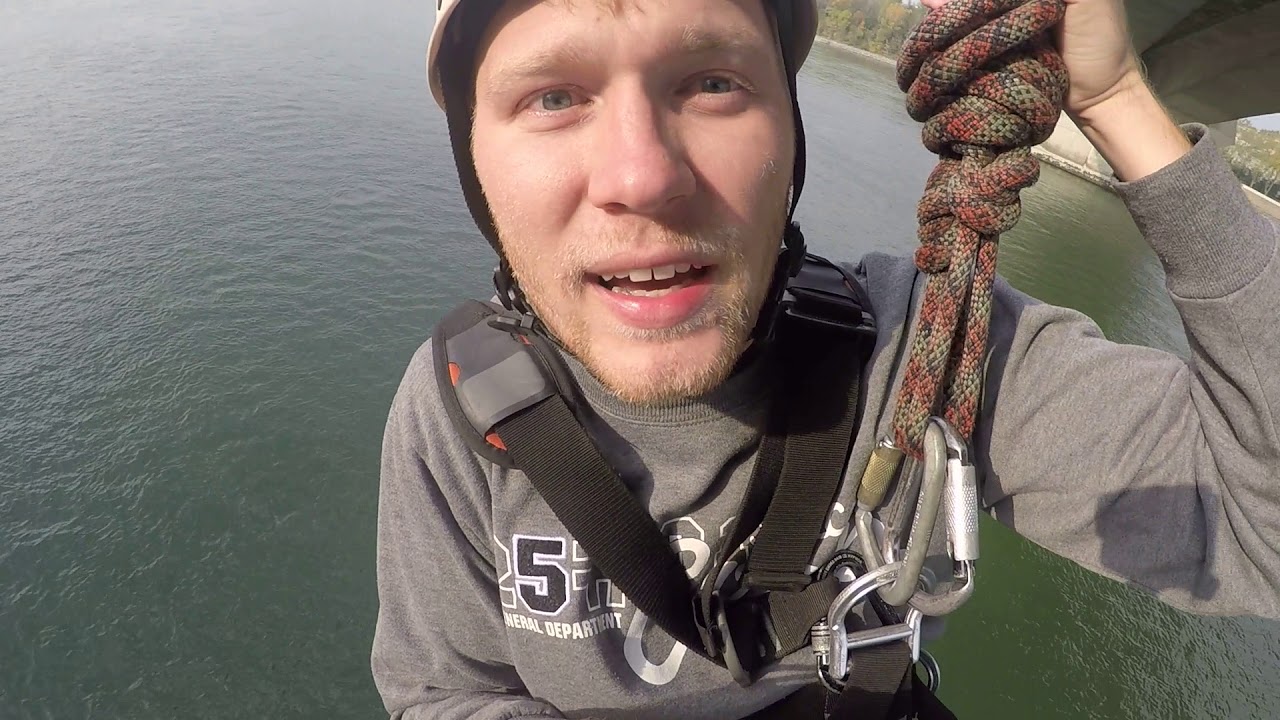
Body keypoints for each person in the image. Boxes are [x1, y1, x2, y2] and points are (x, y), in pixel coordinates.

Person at [370, 0, 1280, 717]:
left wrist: (1120, 100)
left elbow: (1261, 534)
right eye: (554, 97)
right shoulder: (467, 406)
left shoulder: (917, 347)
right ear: (476, 163)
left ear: (790, 131)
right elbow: (447, 691)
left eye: (713, 82)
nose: (642, 176)